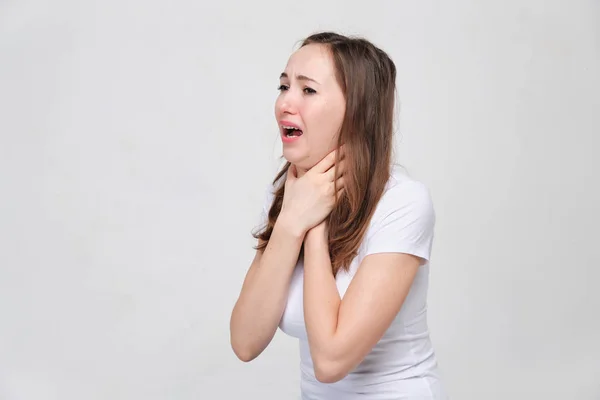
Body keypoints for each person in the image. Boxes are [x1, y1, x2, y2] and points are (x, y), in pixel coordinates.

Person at [229, 31, 447, 400]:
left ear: (356, 111)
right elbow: (245, 341)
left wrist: (313, 226)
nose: (285, 103)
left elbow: (330, 361)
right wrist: (291, 221)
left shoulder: (403, 202)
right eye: (284, 86)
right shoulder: (289, 195)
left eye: (308, 90)